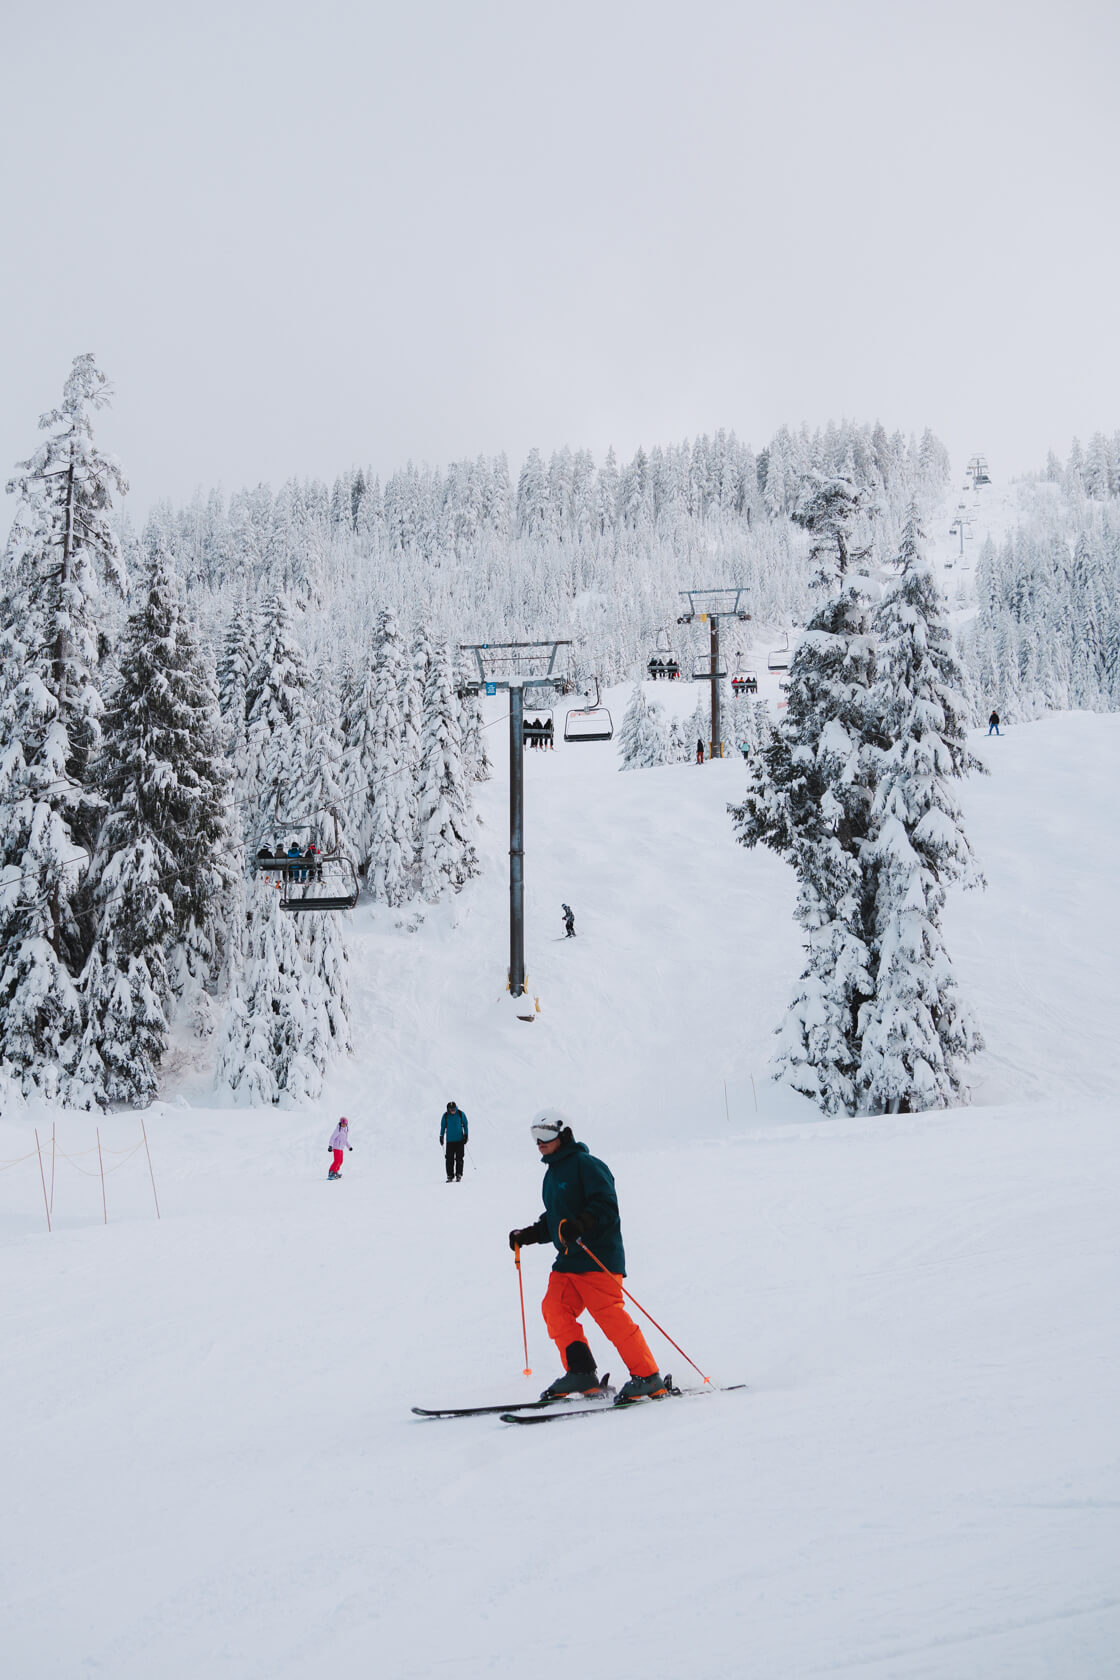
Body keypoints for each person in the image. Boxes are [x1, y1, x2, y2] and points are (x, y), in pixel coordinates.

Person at [508, 1111, 666, 1404]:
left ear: (563, 1134)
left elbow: (605, 1205)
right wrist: (528, 1235)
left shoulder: (588, 1165)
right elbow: (556, 1220)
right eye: (534, 1136)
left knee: (609, 1315)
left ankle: (648, 1376)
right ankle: (581, 1372)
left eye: (545, 1134)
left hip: (597, 1257)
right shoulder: (552, 1174)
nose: (539, 1142)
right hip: (568, 1261)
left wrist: (581, 1225)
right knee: (554, 1308)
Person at [439, 1101, 468, 1182]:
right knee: (449, 1159)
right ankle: (450, 1175)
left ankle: (459, 1174)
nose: (453, 1111)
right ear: (448, 1109)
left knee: (459, 1158)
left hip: (460, 1140)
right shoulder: (445, 1116)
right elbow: (443, 1127)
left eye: (454, 1109)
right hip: (450, 1141)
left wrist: (466, 1135)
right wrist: (441, 1136)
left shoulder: (460, 1114)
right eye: (451, 1109)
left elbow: (465, 1124)